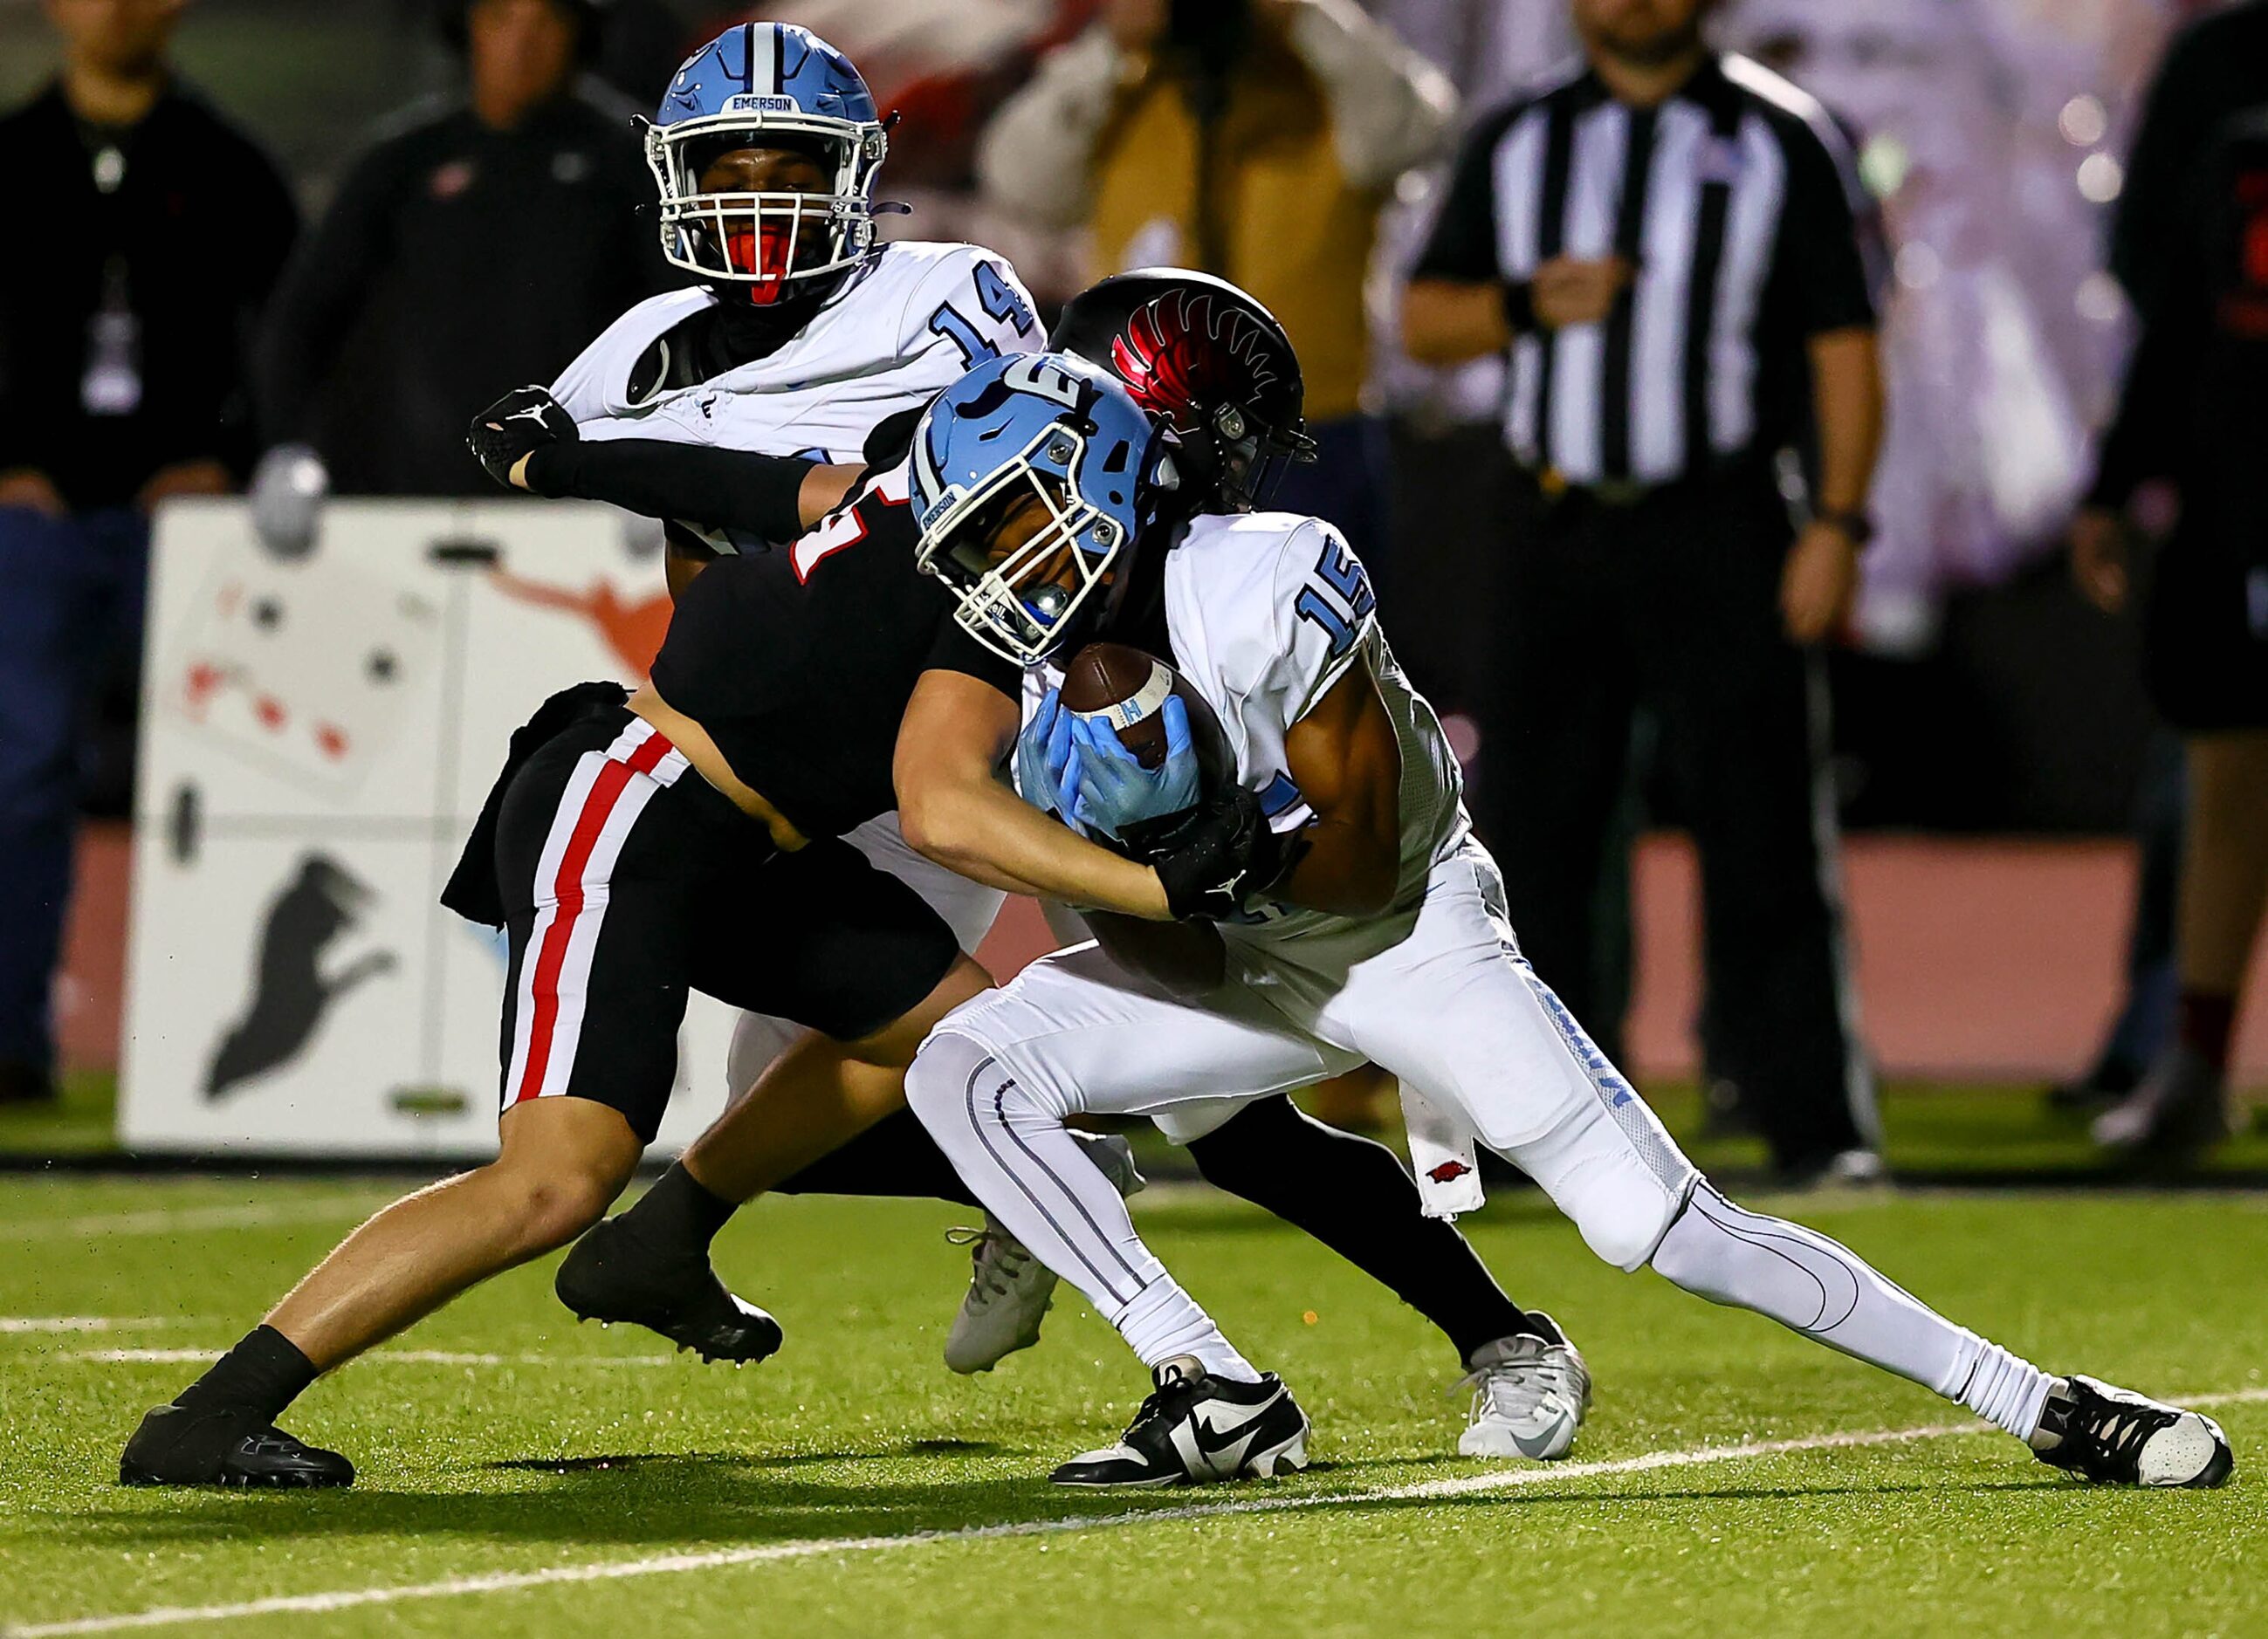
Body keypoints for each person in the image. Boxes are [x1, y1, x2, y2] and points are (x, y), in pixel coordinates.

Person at [890, 348, 2233, 1494]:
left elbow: (1355, 867)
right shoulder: (1029, 682)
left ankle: (2037, 1401)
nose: (1007, 572)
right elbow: (1162, 942)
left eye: (1017, 522)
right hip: (1238, 948)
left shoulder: (1263, 580)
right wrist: (1159, 869)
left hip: (1404, 934)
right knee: (966, 1063)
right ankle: (1210, 1376)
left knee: (1659, 1227)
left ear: (1109, 475)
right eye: (977, 551)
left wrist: (1214, 849)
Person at [559, 271, 1592, 1461]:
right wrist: (581, 463)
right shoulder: (1008, 473)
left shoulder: (1191, 564)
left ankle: (1480, 1337)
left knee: (1223, 1120)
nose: (1233, 469)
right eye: (1222, 439)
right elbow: (762, 493)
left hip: (1060, 806)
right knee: (793, 1097)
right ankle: (1024, 1180)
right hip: (939, 792)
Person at [1399, 0, 1882, 1185]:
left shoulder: (1782, 135)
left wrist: (1836, 520)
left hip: (1719, 516)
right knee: (1535, 832)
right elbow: (1422, 318)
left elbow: (1845, 341)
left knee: (1763, 824)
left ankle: (1809, 1120)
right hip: (1551, 519)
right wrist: (1525, 303)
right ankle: (1543, 1124)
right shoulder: (1516, 137)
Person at [0, 0, 298, 1106]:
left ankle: (211, 1069)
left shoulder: (229, 166)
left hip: (196, 522)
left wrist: (234, 455)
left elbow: (294, 333)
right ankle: (13, 1043)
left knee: (235, 778)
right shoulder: (13, 156)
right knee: (21, 777)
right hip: (29, 520)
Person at [975, 0, 1454, 564]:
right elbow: (1019, 180)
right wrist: (1111, 45)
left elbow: (1418, 132)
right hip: (1140, 430)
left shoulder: (1327, 83)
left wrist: (1303, 17)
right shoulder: (1126, 85)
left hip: (1309, 434)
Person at [2070, 0, 2268, 1160]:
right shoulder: (2221, 78)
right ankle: (2187, 1061)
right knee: (2223, 779)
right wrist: (2117, 479)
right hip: (2241, 486)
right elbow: (2169, 297)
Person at [250, 0, 662, 518]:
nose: (522, 43)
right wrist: (290, 450)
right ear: (466, 28)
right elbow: (301, 325)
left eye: (547, 21)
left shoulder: (631, 165)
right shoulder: (402, 163)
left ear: (581, 34)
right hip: (412, 508)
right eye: (501, 18)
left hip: (581, 510)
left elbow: (683, 327)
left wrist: (660, 466)